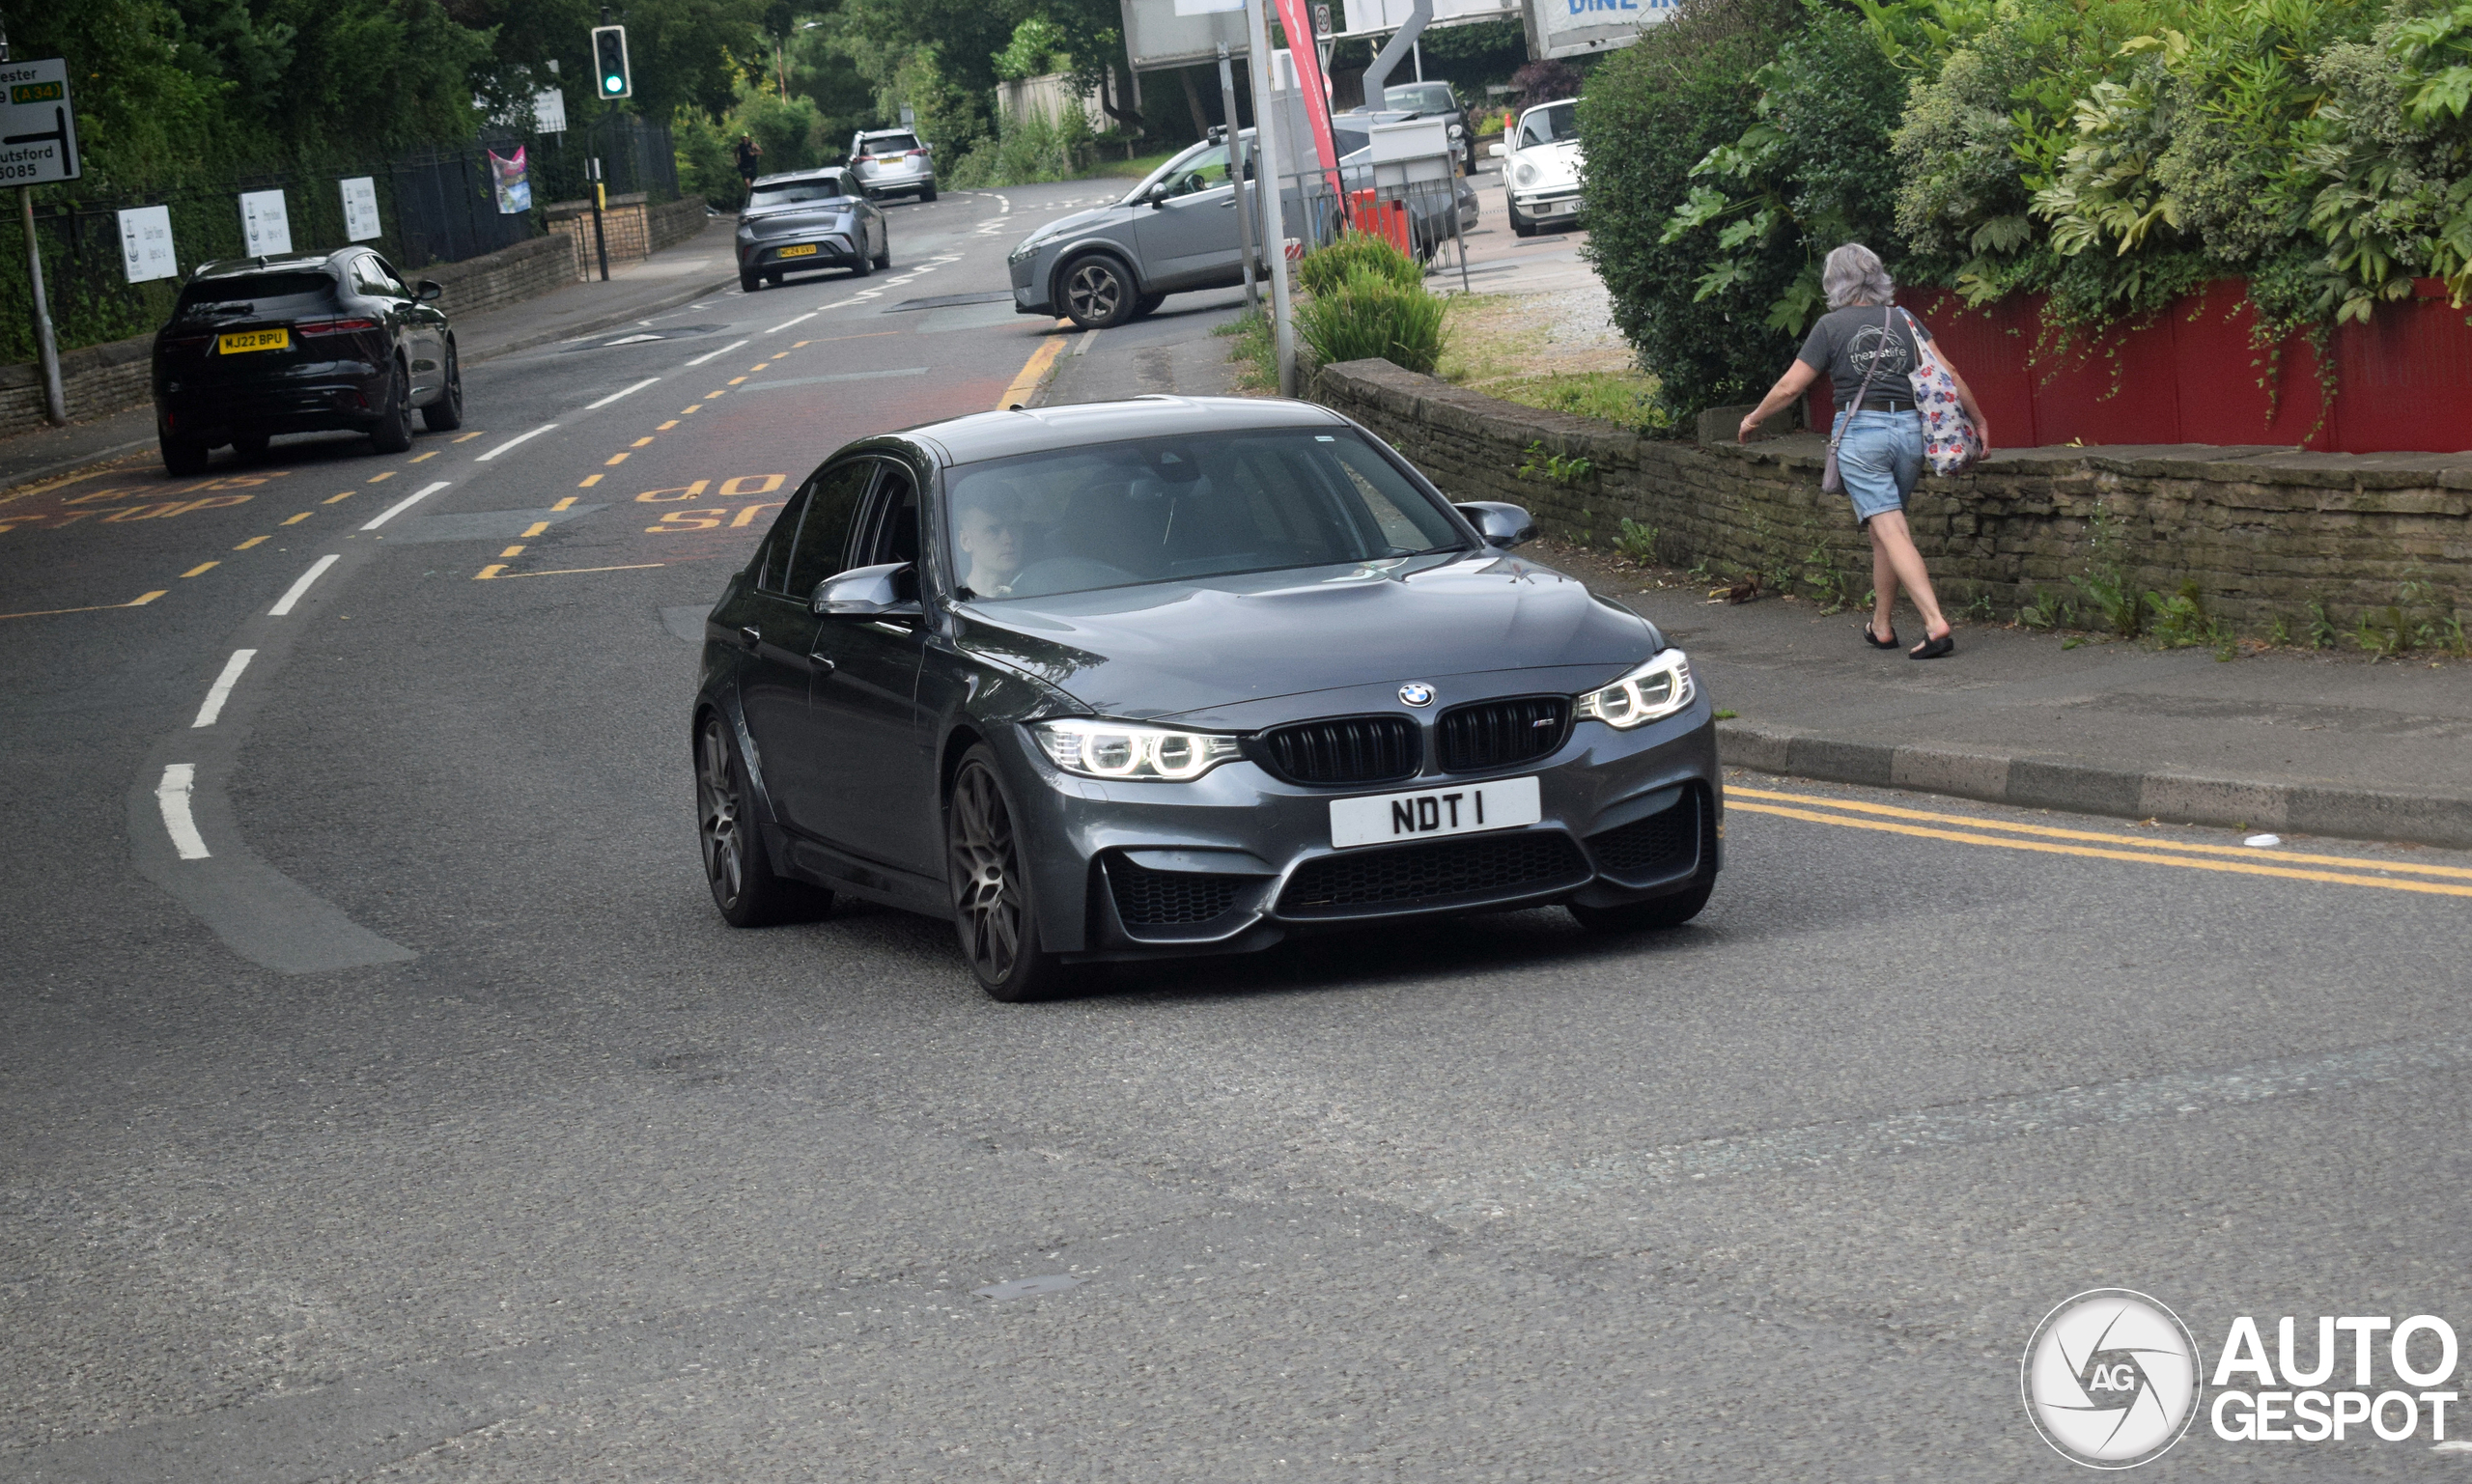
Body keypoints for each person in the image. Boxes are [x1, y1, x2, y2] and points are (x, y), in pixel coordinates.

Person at [1737, 242, 1988, 659]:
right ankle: (1882, 626)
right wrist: (1978, 421)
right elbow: (1951, 373)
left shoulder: (1831, 327)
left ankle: (1934, 622)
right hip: (1910, 433)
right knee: (1884, 532)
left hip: (1862, 434)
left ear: (1834, 282)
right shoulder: (1905, 319)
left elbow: (1790, 387)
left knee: (1891, 530)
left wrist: (1753, 419)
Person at [953, 486, 1025, 598]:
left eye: (1014, 526)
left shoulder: (1045, 589)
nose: (1009, 539)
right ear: (966, 541)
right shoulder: (954, 600)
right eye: (993, 530)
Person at [734, 134, 763, 206]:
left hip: (752, 166)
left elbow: (761, 152)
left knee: (753, 184)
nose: (745, 139)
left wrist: (754, 153)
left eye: (746, 138)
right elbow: (735, 152)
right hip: (744, 166)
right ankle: (749, 199)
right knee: (747, 183)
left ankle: (754, 199)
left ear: (748, 138)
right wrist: (737, 159)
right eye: (743, 138)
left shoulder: (753, 145)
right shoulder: (739, 146)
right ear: (741, 139)